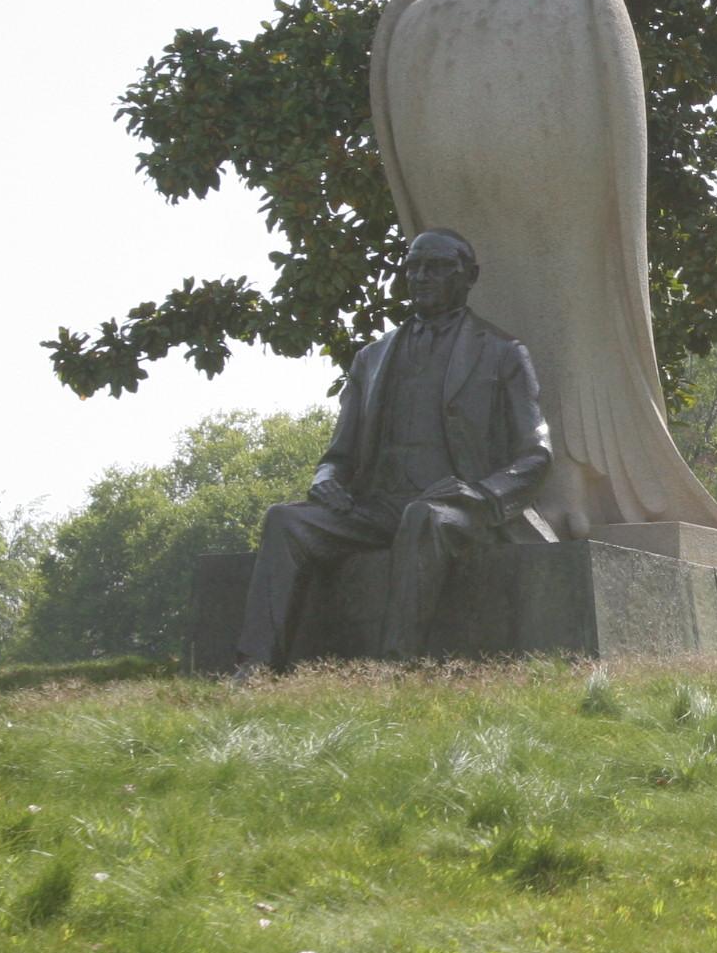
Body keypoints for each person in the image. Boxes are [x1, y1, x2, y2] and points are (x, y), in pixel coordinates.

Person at [235, 228, 551, 672]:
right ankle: (255, 665)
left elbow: (536, 454)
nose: (421, 277)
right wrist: (325, 482)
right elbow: (337, 455)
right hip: (377, 507)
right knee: (286, 520)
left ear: (469, 276)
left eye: (438, 267)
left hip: (455, 510)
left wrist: (479, 494)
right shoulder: (372, 357)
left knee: (422, 518)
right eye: (414, 267)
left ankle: (395, 667)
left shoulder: (503, 353)